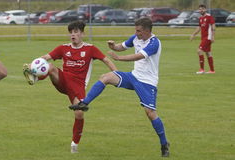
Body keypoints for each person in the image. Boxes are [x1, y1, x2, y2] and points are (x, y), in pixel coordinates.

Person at [69, 18, 170, 157]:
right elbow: (121, 46)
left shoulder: (155, 43)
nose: (136, 33)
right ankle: (83, 103)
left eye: (139, 31)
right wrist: (113, 46)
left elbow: (138, 56)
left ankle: (164, 144)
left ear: (147, 31)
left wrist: (118, 58)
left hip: (147, 82)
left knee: (150, 113)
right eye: (136, 30)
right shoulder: (136, 37)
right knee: (106, 77)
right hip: (133, 76)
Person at [23, 21, 117, 153]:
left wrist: (117, 74)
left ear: (82, 33)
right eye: (71, 32)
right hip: (63, 80)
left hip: (78, 85)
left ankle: (74, 144)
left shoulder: (90, 49)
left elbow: (106, 60)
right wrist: (33, 65)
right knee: (50, 67)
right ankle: (35, 77)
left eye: (76, 32)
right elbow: (46, 57)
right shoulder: (63, 48)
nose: (73, 35)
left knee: (79, 114)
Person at [190, 4, 215, 74]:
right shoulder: (200, 18)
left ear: (205, 9)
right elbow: (199, 28)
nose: (201, 10)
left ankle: (202, 69)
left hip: (208, 37)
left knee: (199, 50)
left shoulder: (209, 17)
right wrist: (193, 34)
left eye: (202, 9)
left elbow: (213, 26)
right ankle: (212, 70)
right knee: (208, 53)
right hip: (203, 38)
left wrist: (213, 36)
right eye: (200, 9)